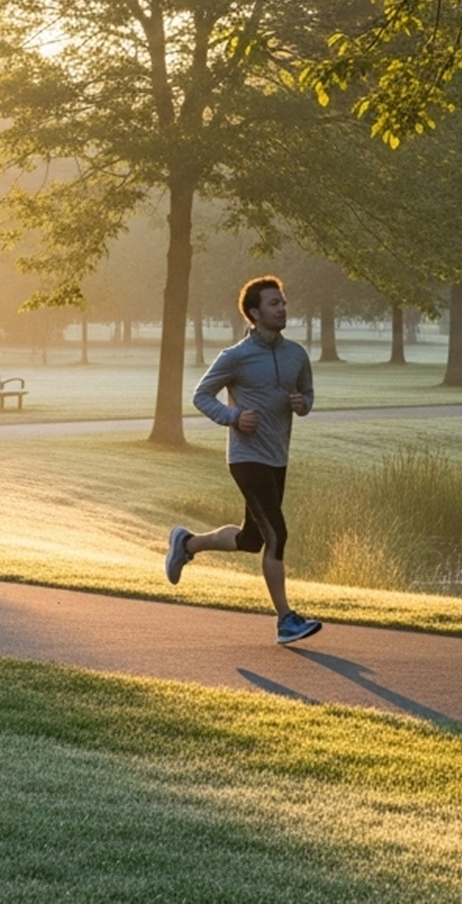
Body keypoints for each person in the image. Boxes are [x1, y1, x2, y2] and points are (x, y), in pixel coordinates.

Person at [165, 275, 322, 645]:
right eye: (273, 303)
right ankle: (286, 620)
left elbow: (308, 393)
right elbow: (202, 395)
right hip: (246, 457)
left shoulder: (296, 354)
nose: (282, 308)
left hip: (277, 456)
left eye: (283, 302)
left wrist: (302, 404)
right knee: (277, 534)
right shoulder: (235, 356)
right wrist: (233, 417)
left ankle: (187, 544)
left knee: (252, 539)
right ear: (254, 313)